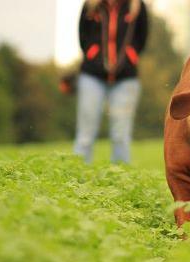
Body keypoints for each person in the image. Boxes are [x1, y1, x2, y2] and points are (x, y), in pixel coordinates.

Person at [74, 0, 149, 163]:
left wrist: (130, 56)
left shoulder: (137, 6)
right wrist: (94, 55)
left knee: (120, 135)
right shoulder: (91, 6)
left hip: (126, 78)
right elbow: (83, 37)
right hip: (92, 76)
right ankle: (75, 178)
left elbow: (142, 38)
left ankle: (120, 180)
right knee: (85, 134)